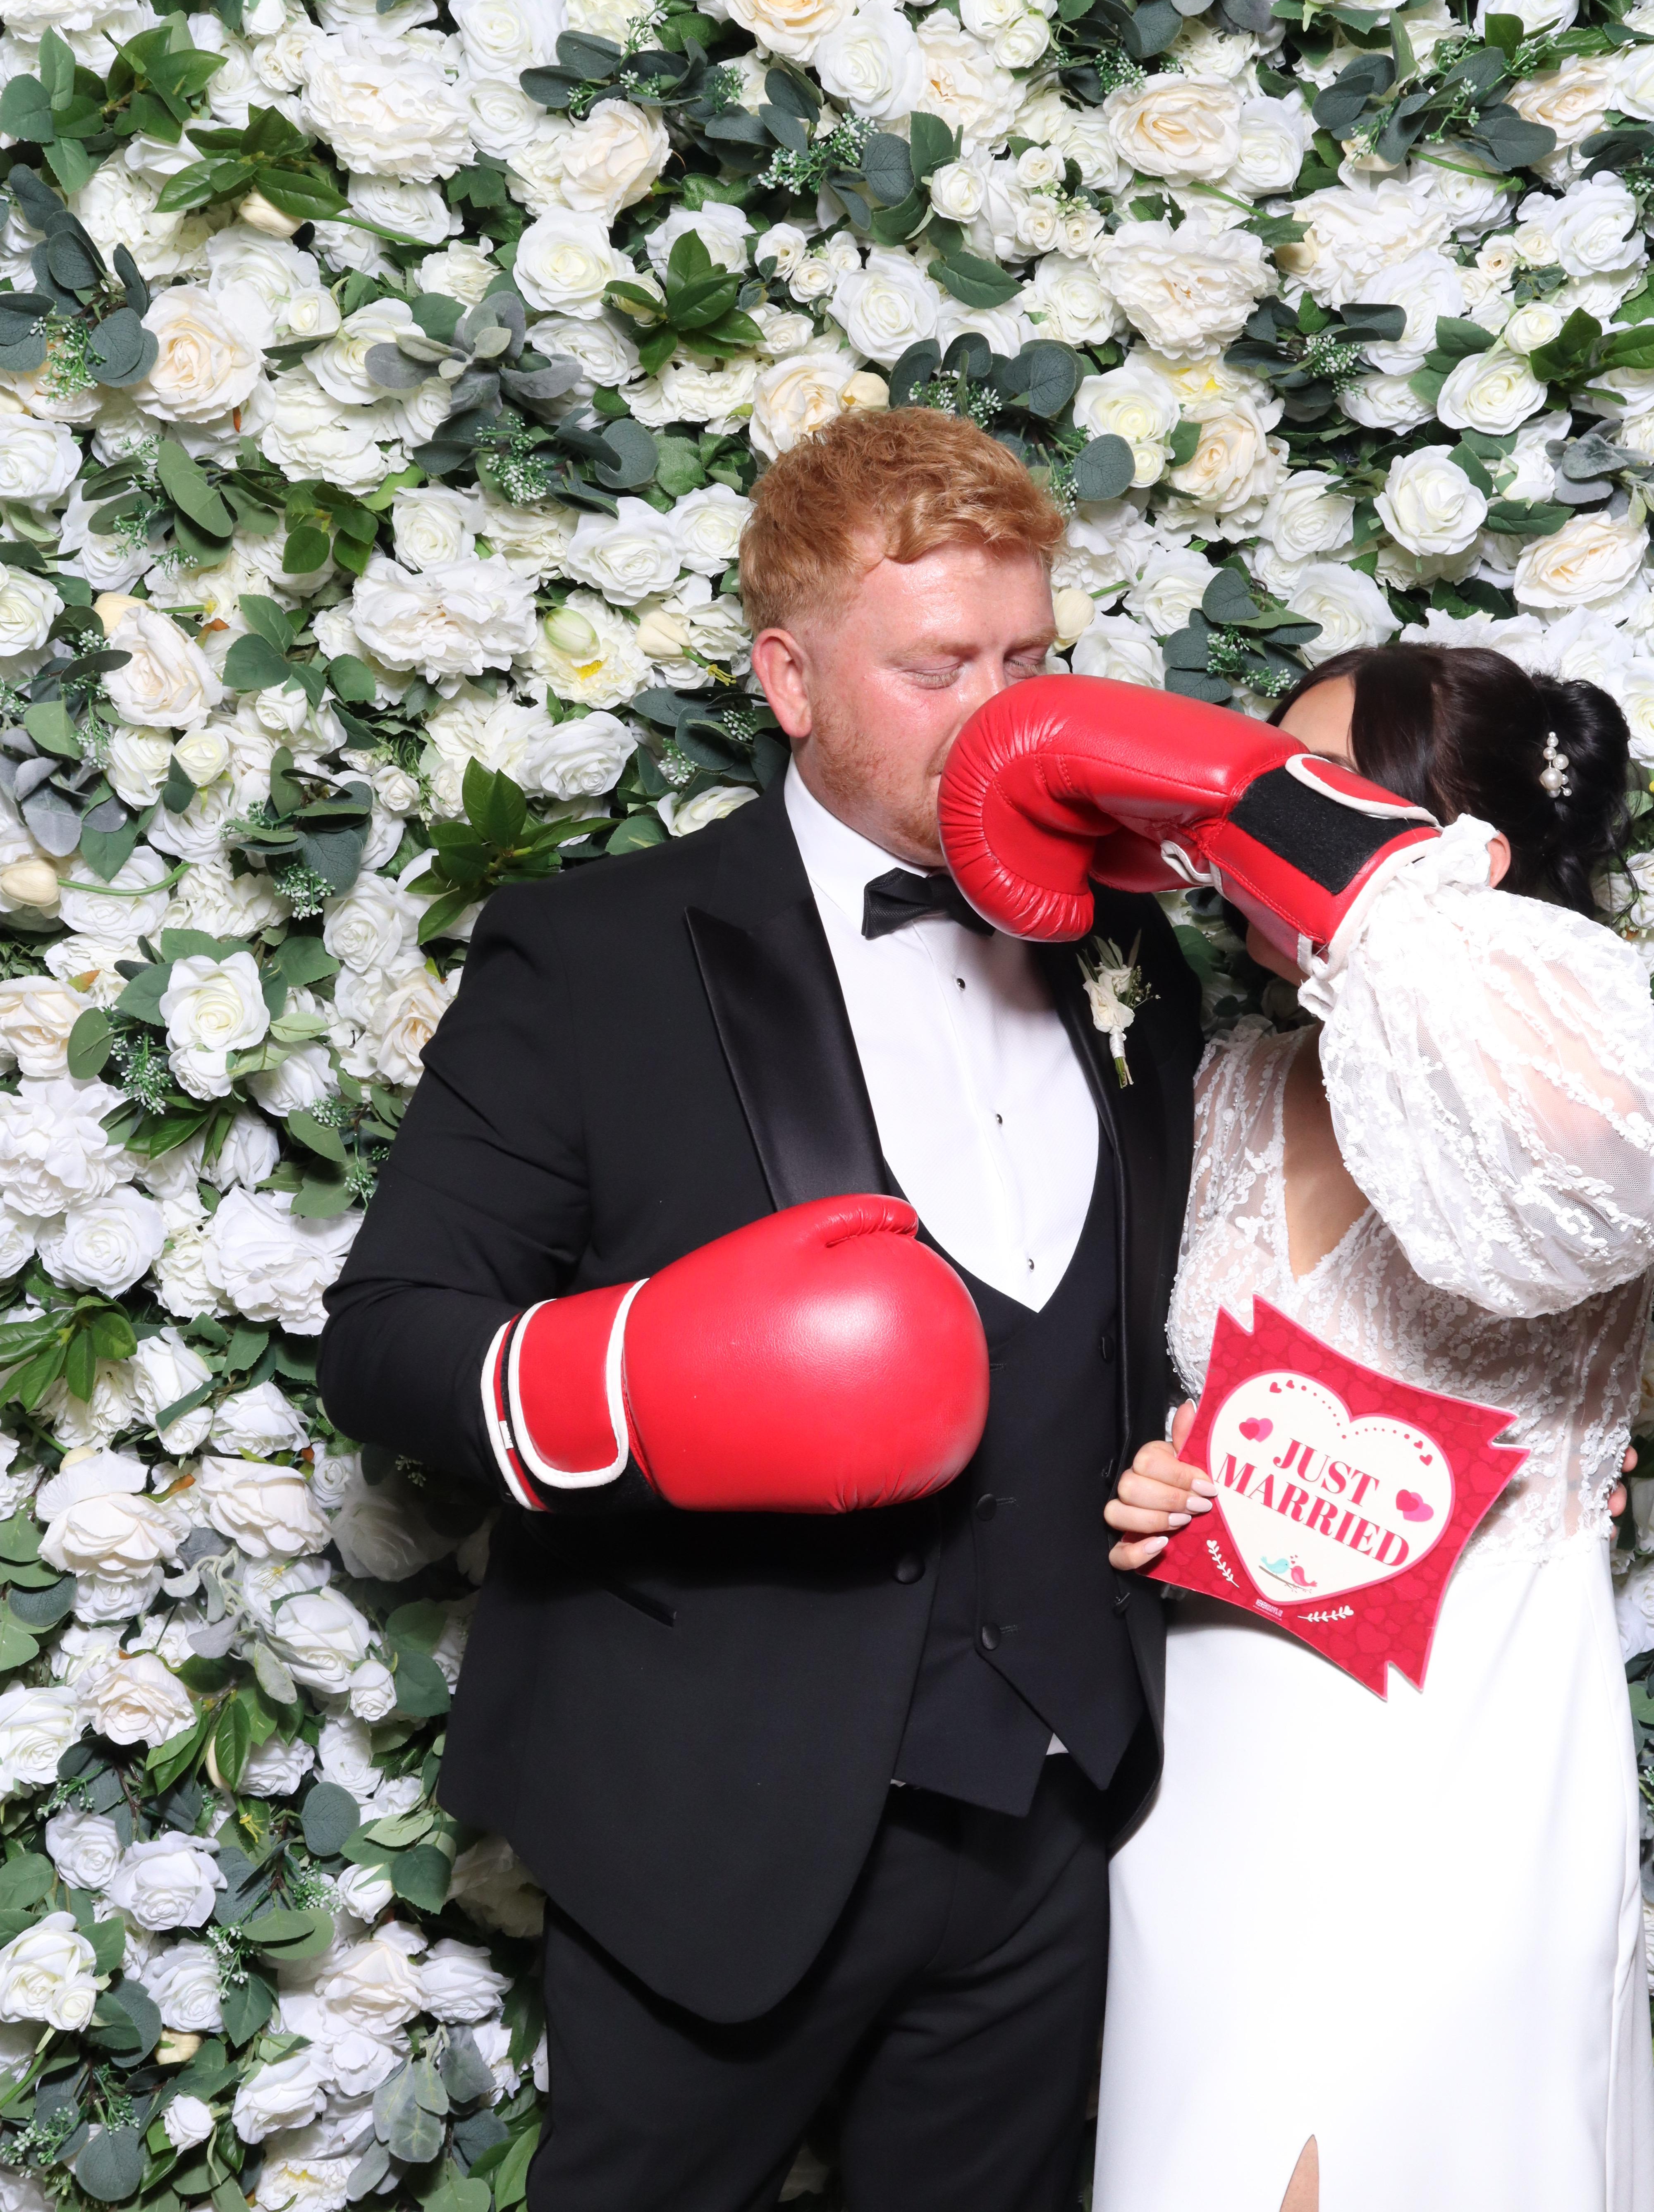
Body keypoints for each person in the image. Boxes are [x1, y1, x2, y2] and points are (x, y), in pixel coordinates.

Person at [317, 407, 1203, 2211]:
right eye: (939, 665)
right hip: (722, 1811)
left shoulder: (1135, 945)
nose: (1006, 710)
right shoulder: (595, 955)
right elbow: (392, 1332)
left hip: (1058, 1802)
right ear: (788, 679)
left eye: (1033, 658)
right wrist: (651, 1376)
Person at [939, 643, 1654, 2212]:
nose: (1244, 830)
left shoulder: (1592, 1082)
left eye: (1306, 794)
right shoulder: (1233, 1081)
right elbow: (1185, 1374)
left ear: (1445, 845)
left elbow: (1582, 1178)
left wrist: (1372, 897)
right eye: (1252, 780)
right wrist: (1159, 1471)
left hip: (1465, 1736)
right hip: (1226, 1745)